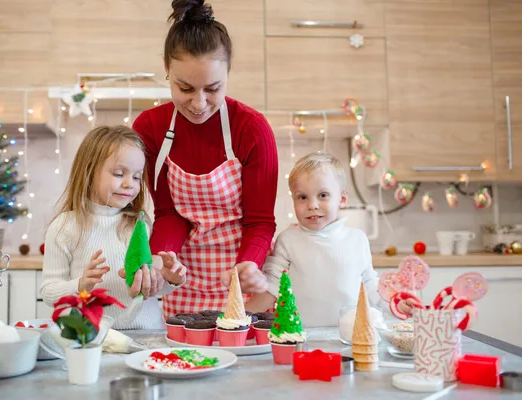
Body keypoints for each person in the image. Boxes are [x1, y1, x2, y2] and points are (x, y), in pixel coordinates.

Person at [132, 0, 278, 318]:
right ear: (166, 68)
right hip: (183, 280)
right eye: (185, 88)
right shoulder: (150, 128)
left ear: (228, 73)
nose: (199, 104)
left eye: (213, 89)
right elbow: (170, 213)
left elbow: (260, 221)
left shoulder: (252, 129)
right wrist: (162, 258)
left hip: (245, 279)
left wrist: (249, 264)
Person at [40, 125, 187, 329]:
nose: (130, 184)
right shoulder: (64, 227)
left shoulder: (140, 225)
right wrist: (80, 284)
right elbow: (48, 292)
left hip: (147, 335)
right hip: (92, 339)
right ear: (89, 172)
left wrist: (169, 279)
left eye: (137, 177)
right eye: (119, 174)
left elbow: (148, 288)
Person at [245, 152, 381, 327]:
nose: (312, 205)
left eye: (323, 195)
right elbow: (272, 287)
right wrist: (239, 319)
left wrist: (396, 302)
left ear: (342, 198)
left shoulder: (358, 239)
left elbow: (370, 284)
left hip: (350, 335)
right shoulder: (288, 239)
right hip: (300, 336)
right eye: (302, 197)